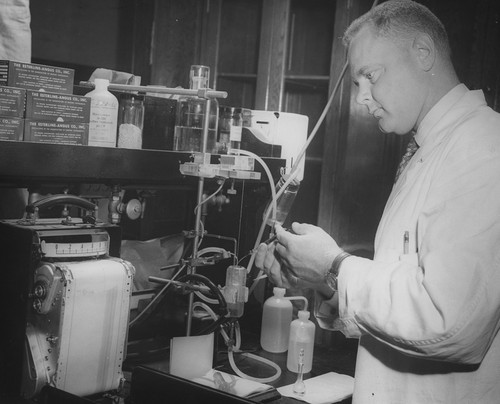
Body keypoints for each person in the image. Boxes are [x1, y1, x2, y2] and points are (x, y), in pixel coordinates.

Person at [255, 1, 500, 403]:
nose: (364, 98)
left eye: (371, 75)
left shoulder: (482, 147)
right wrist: (319, 278)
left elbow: (451, 322)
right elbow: (403, 294)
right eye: (356, 83)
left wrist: (335, 264)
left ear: (423, 53)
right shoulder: (431, 148)